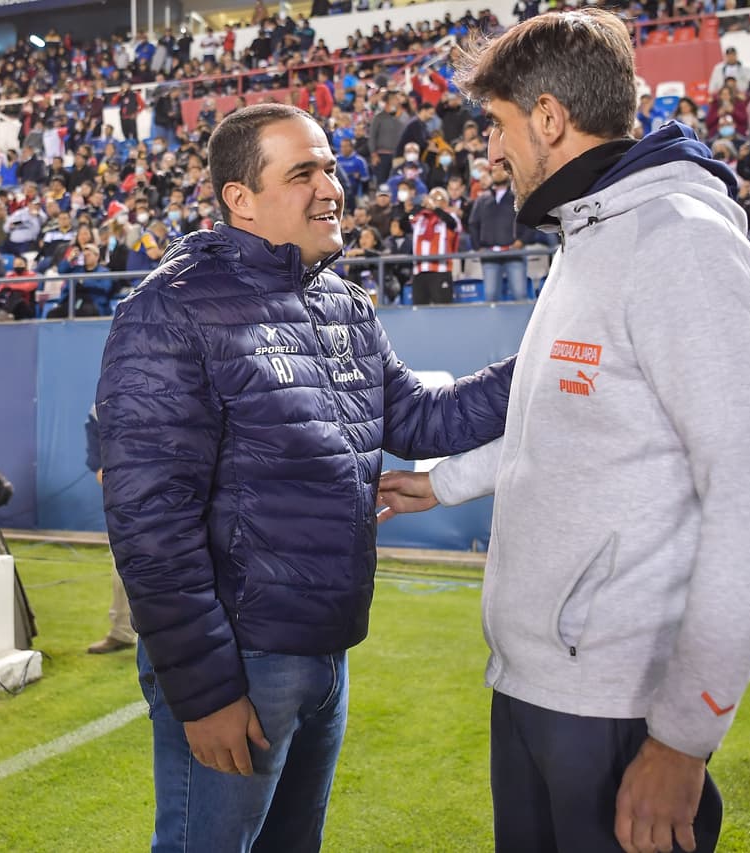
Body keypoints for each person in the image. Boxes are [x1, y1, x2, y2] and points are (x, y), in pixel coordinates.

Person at [378, 10, 750, 853]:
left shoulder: (680, 247)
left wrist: (683, 738)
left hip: (617, 709)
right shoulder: (588, 236)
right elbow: (567, 423)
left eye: (497, 126)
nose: (489, 153)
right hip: (536, 687)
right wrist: (441, 482)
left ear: (547, 118)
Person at [96, 102, 513, 852]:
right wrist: (206, 688)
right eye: (303, 172)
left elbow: (419, 420)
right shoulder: (170, 309)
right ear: (240, 199)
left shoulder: (342, 302)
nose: (332, 185)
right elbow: (149, 518)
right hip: (240, 663)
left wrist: (547, 358)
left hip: (327, 655)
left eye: (329, 165)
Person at [84, 402, 136, 655]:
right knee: (122, 562)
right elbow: (97, 462)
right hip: (129, 495)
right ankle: (122, 631)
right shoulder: (99, 406)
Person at [469, 163, 527, 302]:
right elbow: (473, 224)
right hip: (490, 254)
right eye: (494, 171)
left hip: (513, 252)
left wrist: (522, 240)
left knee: (520, 294)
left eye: (502, 170)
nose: (498, 173)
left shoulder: (517, 196)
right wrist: (478, 246)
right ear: (490, 174)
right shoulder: (482, 199)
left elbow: (528, 220)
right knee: (490, 296)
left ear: (508, 173)